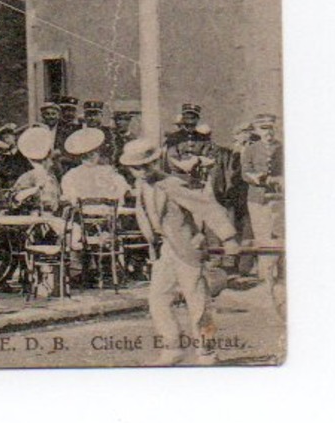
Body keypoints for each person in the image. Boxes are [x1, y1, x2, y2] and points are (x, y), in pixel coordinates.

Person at [121, 138, 240, 366]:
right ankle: (172, 347)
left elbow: (208, 207)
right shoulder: (142, 187)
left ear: (156, 162)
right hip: (167, 249)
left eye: (148, 165)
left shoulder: (172, 184)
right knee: (158, 298)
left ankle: (207, 352)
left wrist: (229, 237)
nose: (144, 171)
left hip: (187, 248)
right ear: (130, 169)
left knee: (198, 302)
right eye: (137, 168)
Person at [238, 114, 285, 317]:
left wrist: (278, 179)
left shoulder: (282, 148)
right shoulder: (250, 149)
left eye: (270, 128)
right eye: (263, 128)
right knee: (263, 239)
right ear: (256, 131)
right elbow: (245, 172)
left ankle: (281, 280)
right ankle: (266, 282)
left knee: (280, 238)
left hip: (278, 199)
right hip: (258, 200)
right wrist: (256, 178)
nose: (268, 132)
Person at [60, 127, 131, 205]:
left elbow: (68, 198)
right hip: (109, 214)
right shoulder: (110, 173)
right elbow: (122, 193)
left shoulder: (70, 175)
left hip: (81, 215)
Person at [10, 126, 61, 212]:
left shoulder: (51, 176)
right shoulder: (27, 177)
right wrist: (34, 190)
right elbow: (15, 200)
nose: (52, 163)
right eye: (49, 159)